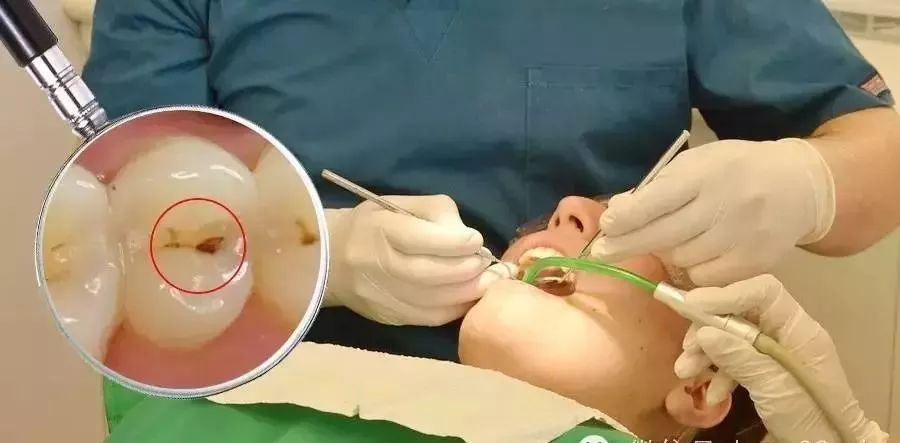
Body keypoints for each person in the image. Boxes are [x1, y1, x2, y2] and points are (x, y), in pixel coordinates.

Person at [82, 0, 899, 361]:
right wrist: (311, 256)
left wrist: (810, 182)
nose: (568, 219)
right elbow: (110, 234)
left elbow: (879, 151)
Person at [99, 194, 756, 442]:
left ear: (701, 387)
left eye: (641, 227)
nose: (569, 208)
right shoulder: (215, 385)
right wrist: (305, 257)